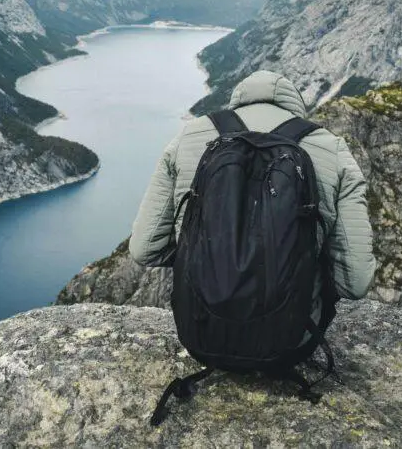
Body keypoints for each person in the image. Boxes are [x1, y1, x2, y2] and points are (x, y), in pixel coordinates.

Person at [128, 69, 377, 320]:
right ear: (296, 106)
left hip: (200, 328)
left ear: (238, 99)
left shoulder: (189, 136)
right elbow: (354, 283)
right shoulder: (332, 148)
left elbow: (145, 249)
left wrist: (208, 255)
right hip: (289, 340)